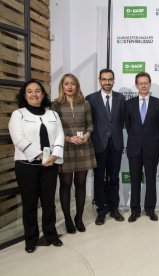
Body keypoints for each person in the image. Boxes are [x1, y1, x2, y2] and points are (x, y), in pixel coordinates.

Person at [9, 80, 64, 253]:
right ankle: (31, 239)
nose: (34, 94)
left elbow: (59, 135)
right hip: (27, 166)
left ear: (43, 94)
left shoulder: (53, 115)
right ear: (24, 95)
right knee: (30, 204)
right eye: (30, 91)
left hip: (50, 164)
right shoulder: (18, 114)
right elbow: (18, 138)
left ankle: (50, 234)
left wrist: (54, 155)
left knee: (49, 203)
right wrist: (40, 156)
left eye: (38, 91)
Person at [51, 74, 97, 234]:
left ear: (77, 86)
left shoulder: (85, 104)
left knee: (81, 184)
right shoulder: (55, 105)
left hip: (83, 147)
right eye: (66, 84)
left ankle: (78, 217)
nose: (69, 87)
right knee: (65, 184)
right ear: (62, 87)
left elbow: (90, 125)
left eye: (73, 84)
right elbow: (53, 129)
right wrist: (68, 138)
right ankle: (68, 219)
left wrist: (86, 135)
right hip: (65, 148)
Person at [85, 69, 126, 225]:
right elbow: (88, 122)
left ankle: (114, 208)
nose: (107, 82)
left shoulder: (121, 98)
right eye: (104, 79)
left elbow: (123, 120)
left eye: (110, 79)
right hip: (98, 144)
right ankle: (101, 210)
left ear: (114, 80)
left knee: (114, 177)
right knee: (99, 178)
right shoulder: (90, 99)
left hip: (115, 144)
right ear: (99, 80)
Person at [125, 72, 159, 222]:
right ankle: (134, 210)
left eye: (146, 82)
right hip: (134, 148)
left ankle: (150, 209)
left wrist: (153, 141)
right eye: (140, 83)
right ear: (136, 85)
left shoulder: (158, 103)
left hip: (152, 149)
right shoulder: (128, 104)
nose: (143, 85)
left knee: (150, 180)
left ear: (150, 84)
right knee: (135, 181)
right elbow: (128, 126)